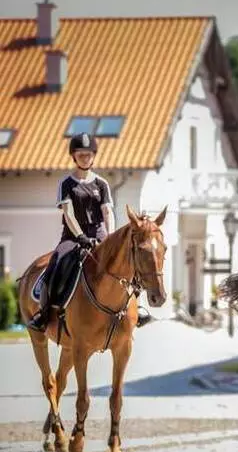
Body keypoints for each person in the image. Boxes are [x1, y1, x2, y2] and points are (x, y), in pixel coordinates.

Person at [27, 132, 153, 331]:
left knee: (127, 260)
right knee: (57, 263)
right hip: (73, 237)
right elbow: (68, 213)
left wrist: (110, 237)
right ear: (73, 156)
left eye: (88, 154)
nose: (85, 157)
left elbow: (107, 211)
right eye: (80, 154)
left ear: (94, 155)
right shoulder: (66, 184)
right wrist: (80, 236)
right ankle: (43, 313)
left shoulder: (101, 184)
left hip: (100, 235)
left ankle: (137, 307)